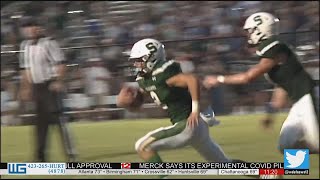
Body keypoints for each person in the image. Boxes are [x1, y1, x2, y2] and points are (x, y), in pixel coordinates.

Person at [117, 38, 251, 179]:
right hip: (197, 128)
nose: (136, 64)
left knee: (142, 146)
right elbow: (147, 96)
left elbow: (191, 80)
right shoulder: (146, 78)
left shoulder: (163, 72)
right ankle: (268, 174)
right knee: (225, 165)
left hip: (187, 124)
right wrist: (127, 102)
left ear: (150, 58)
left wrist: (194, 110)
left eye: (139, 60)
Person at [203, 12, 319, 154]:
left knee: (316, 143)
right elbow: (281, 87)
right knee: (287, 144)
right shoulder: (272, 51)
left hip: (309, 97)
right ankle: (298, 174)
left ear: (260, 30)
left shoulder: (274, 46)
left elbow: (248, 77)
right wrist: (271, 115)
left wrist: (219, 79)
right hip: (300, 102)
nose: (248, 34)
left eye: (250, 31)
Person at [18, 17, 77, 162]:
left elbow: (61, 63)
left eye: (33, 26)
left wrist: (57, 80)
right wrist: (25, 88)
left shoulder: (49, 43)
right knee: (40, 124)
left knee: (59, 122)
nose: (30, 29)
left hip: (50, 85)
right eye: (27, 27)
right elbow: (25, 69)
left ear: (39, 28)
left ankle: (70, 155)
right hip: (37, 87)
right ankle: (40, 157)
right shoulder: (24, 46)